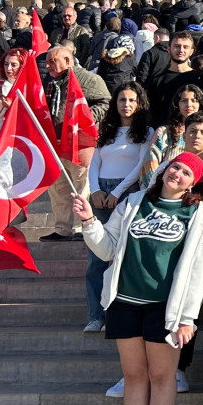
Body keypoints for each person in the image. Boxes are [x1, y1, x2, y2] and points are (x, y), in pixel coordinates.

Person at [73, 152, 203, 405]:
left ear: (194, 183)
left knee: (162, 377)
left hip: (165, 308)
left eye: (185, 172)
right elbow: (107, 248)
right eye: (174, 167)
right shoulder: (134, 201)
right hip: (124, 301)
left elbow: (199, 270)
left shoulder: (198, 213)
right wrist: (88, 221)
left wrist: (187, 318)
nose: (176, 173)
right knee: (134, 377)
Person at [85, 83, 156, 333]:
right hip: (100, 194)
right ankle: (96, 316)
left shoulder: (147, 132)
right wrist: (95, 190)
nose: (126, 104)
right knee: (97, 257)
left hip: (127, 192)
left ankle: (117, 314)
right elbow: (94, 162)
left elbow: (140, 165)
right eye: (122, 100)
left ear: (139, 104)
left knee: (122, 255)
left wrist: (116, 193)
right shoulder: (106, 129)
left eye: (131, 100)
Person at [41, 45, 111, 242]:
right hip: (55, 144)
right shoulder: (50, 80)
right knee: (58, 188)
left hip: (80, 144)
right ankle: (62, 228)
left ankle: (83, 227)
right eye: (47, 62)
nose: (48, 66)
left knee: (82, 186)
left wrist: (84, 119)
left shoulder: (87, 79)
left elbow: (106, 102)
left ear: (68, 60)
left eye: (53, 62)